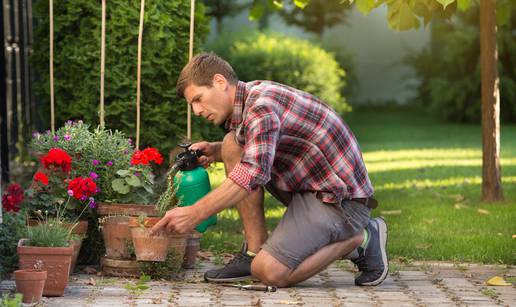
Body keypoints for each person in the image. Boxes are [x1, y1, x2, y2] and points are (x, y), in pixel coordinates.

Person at [151, 52, 388, 287]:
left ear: (220, 82)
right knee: (231, 145)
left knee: (270, 272)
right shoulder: (252, 97)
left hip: (341, 203)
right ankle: (253, 252)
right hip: (315, 189)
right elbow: (256, 149)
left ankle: (360, 238)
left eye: (198, 99)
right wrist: (216, 151)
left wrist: (195, 213)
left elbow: (253, 173)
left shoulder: (262, 107)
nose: (197, 111)